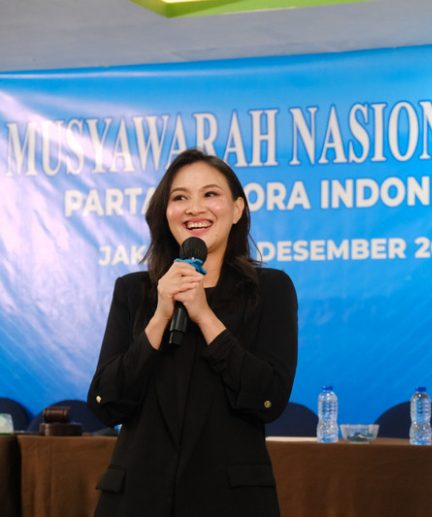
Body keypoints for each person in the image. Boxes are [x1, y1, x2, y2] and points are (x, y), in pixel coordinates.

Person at [87, 149, 298, 516]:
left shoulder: (270, 289)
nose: (194, 208)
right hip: (137, 498)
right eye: (180, 197)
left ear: (237, 209)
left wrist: (204, 316)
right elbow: (106, 403)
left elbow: (268, 398)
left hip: (230, 501)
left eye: (210, 194)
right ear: (164, 212)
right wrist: (160, 316)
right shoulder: (134, 291)